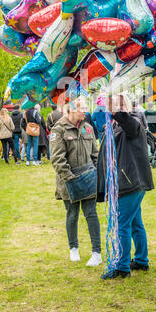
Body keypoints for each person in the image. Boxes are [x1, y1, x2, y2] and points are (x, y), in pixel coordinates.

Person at [97, 94, 154, 280]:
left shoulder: (135, 120)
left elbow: (129, 124)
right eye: (114, 104)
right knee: (135, 223)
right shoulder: (114, 125)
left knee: (122, 224)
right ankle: (141, 260)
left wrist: (116, 111)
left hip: (130, 181)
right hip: (126, 180)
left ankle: (122, 266)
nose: (116, 107)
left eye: (120, 104)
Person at [50, 97, 101, 266]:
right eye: (82, 108)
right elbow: (58, 159)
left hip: (88, 179)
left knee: (91, 214)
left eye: (86, 107)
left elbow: (95, 154)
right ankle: (73, 248)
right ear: (71, 109)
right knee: (72, 215)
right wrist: (72, 180)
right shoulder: (59, 130)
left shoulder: (88, 128)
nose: (86, 110)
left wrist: (95, 173)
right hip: (68, 182)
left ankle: (96, 253)